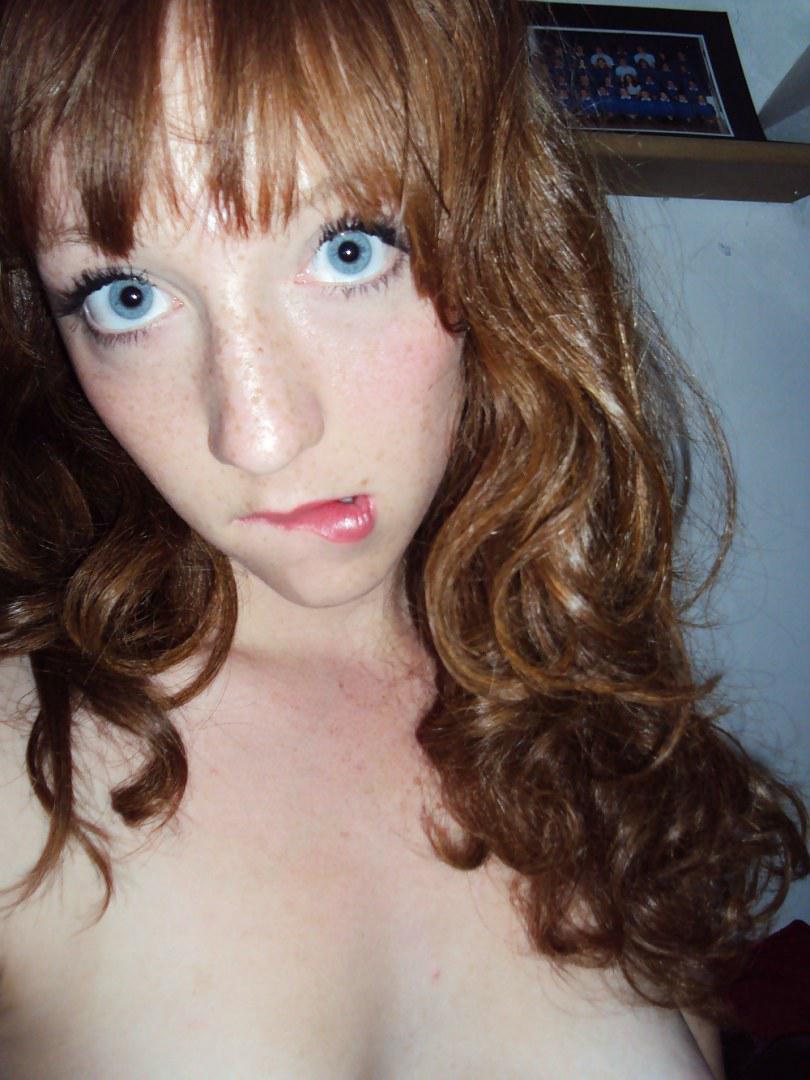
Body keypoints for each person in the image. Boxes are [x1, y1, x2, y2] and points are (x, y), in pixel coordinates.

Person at [0, 1, 807, 1077]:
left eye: (348, 250)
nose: (260, 435)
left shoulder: (591, 718)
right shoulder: (20, 774)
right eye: (129, 297)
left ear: (498, 243)